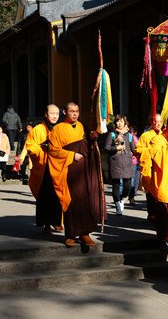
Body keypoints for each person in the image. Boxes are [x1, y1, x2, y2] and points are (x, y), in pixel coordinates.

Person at [48, 102, 105, 247]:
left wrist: (92, 139)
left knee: (85, 201)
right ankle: (71, 234)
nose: (75, 114)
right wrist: (71, 155)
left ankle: (85, 233)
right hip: (68, 171)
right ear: (65, 112)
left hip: (84, 171)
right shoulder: (57, 130)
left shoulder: (83, 128)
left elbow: (89, 148)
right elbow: (53, 150)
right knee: (71, 201)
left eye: (77, 111)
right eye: (72, 111)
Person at [136, 115, 168, 245]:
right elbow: (155, 155)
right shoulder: (156, 139)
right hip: (160, 178)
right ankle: (163, 238)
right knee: (162, 208)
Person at [26, 105, 63, 235]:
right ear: (46, 114)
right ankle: (47, 225)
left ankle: (57, 222)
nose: (54, 116)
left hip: (58, 168)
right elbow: (30, 146)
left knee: (59, 196)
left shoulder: (60, 129)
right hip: (44, 169)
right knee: (46, 197)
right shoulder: (38, 129)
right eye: (52, 113)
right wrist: (42, 148)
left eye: (57, 113)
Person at [105, 115, 135, 216]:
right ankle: (118, 206)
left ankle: (122, 198)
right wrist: (116, 148)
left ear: (125, 123)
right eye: (118, 121)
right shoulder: (112, 134)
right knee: (116, 186)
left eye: (121, 121)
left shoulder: (129, 136)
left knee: (128, 185)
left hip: (127, 164)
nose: (119, 123)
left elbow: (134, 149)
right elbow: (107, 148)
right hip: (115, 163)